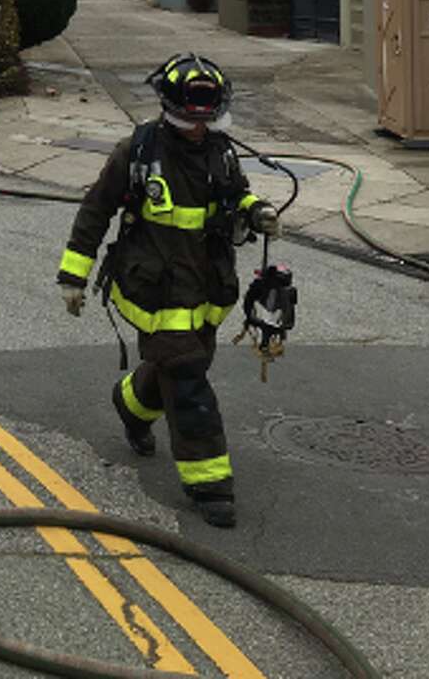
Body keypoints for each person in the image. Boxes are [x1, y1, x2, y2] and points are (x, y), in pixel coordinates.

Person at [55, 53, 280, 529]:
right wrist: (73, 276)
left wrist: (256, 209)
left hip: (207, 286)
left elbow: (234, 193)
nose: (198, 128)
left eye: (207, 119)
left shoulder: (221, 150)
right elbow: (95, 212)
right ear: (170, 107)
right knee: (189, 380)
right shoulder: (136, 153)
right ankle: (210, 485)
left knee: (179, 368)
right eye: (190, 119)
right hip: (155, 290)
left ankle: (130, 404)